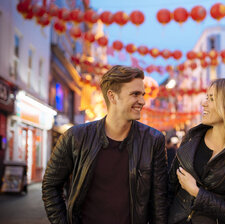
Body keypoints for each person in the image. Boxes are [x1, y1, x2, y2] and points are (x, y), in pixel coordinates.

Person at [42, 65, 168, 224]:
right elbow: (50, 186)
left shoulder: (153, 140)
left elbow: (160, 203)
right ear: (112, 96)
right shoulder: (76, 137)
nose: (142, 101)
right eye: (135, 94)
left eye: (143, 94)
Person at [168, 79, 225, 224]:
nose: (203, 103)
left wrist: (197, 193)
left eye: (211, 99)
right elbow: (169, 189)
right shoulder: (192, 139)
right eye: (207, 97)